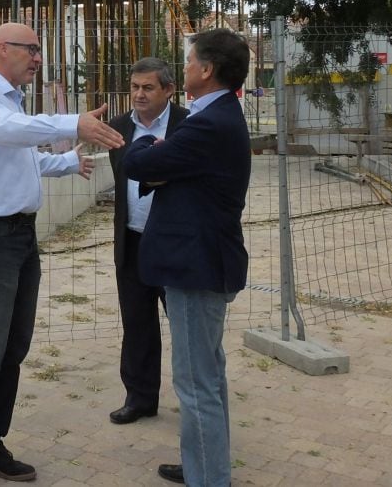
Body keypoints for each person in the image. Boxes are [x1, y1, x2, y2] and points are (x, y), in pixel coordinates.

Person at [0, 22, 125, 487]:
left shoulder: (11, 101)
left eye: (39, 51)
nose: (38, 58)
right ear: (2, 49)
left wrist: (66, 161)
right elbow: (3, 133)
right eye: (32, 49)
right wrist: (72, 122)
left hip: (20, 238)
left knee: (12, 349)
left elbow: (17, 155)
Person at [123, 29, 251, 487]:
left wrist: (147, 147)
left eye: (190, 59)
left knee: (197, 384)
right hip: (202, 260)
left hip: (196, 266)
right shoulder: (215, 116)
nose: (187, 65)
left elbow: (139, 164)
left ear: (207, 69)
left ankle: (208, 478)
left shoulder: (206, 123)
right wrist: (163, 154)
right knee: (207, 376)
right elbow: (168, 166)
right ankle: (203, 463)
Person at [106, 57, 188, 425]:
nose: (139, 95)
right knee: (137, 323)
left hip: (175, 244)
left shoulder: (189, 126)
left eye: (148, 88)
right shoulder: (118, 129)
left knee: (186, 326)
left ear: (169, 90)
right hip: (133, 241)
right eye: (135, 87)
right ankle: (140, 397)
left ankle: (194, 402)